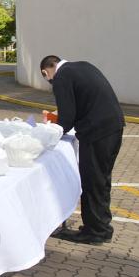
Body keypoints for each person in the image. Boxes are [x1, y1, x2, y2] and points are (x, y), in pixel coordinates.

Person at [41, 55, 125, 245]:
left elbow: (67, 116)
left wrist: (51, 133)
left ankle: (93, 232)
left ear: (46, 72)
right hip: (113, 127)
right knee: (102, 181)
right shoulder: (82, 66)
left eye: (47, 79)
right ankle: (102, 228)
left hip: (96, 133)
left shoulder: (61, 77)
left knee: (92, 181)